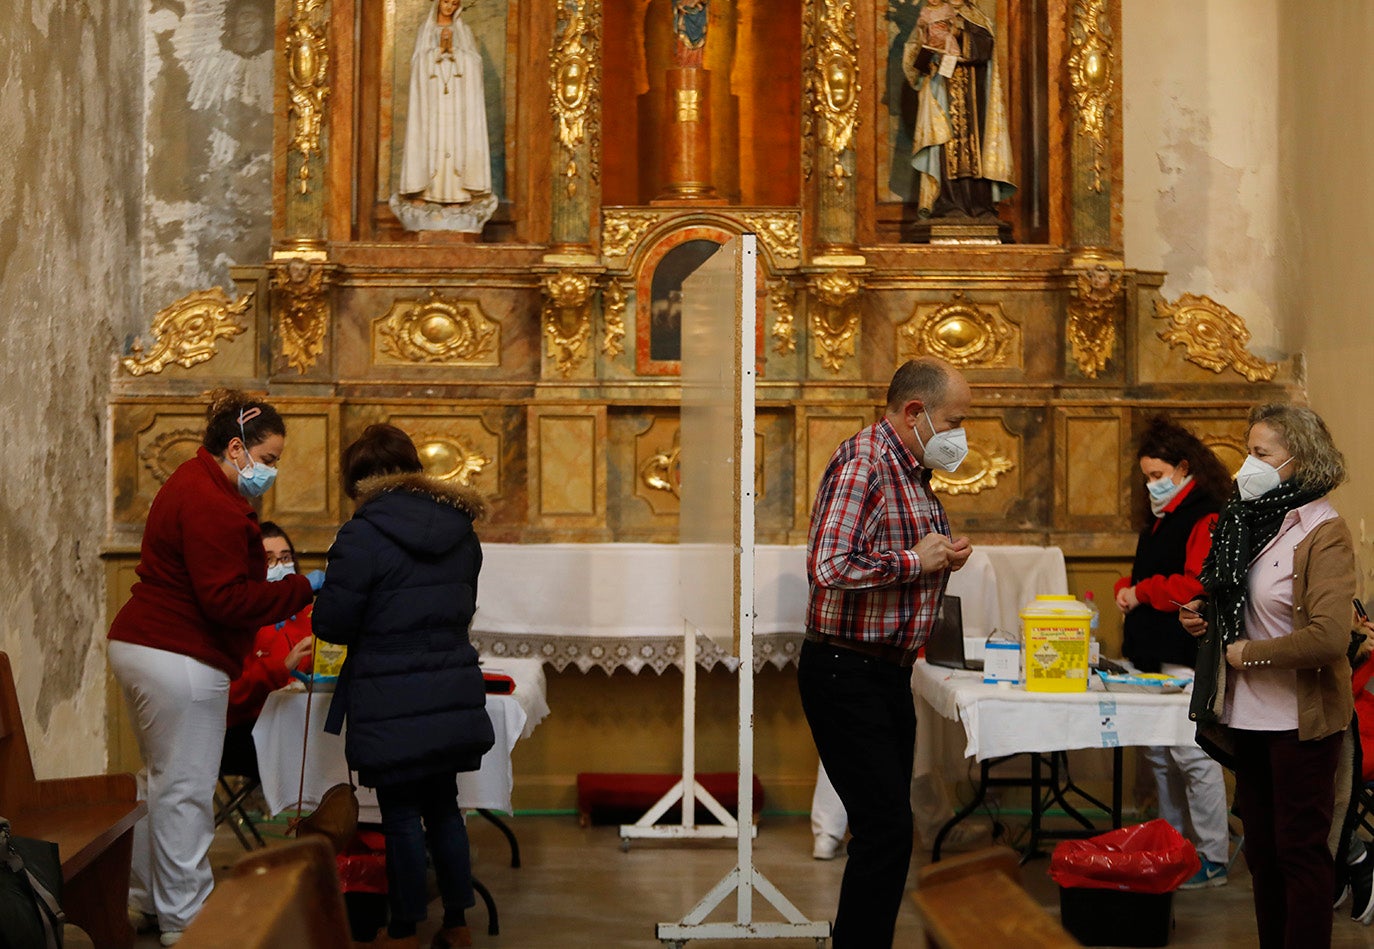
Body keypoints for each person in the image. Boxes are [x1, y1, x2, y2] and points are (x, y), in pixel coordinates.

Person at [107, 389, 321, 946]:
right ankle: (188, 921)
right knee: (185, 791)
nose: (271, 470)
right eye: (269, 459)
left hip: (149, 644)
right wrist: (300, 588)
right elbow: (226, 601)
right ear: (236, 447)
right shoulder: (213, 502)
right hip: (179, 654)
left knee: (161, 786)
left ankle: (148, 900)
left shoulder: (193, 481)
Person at [798, 356, 974, 948]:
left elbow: (905, 553)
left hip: (885, 673)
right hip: (846, 670)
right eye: (954, 422)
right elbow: (827, 566)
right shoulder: (864, 464)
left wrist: (943, 555)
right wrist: (914, 561)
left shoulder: (913, 471)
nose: (960, 436)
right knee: (886, 830)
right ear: (915, 412)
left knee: (888, 831)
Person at [312, 423, 495, 949]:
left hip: (388, 690)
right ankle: (458, 924)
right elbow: (462, 603)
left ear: (358, 481)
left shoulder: (361, 534)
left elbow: (334, 624)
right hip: (449, 681)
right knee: (444, 807)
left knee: (398, 815)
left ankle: (404, 930)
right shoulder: (462, 527)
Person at [1182, 402, 1357, 948]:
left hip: (1298, 719)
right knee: (1259, 852)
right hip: (1245, 715)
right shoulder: (1250, 522)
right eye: (1248, 452)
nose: (1245, 468)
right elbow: (1249, 606)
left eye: (1260, 455)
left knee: (1299, 852)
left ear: (1297, 460)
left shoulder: (1324, 532)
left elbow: (1329, 637)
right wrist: (1205, 615)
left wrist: (1246, 655)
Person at [1113, 417, 1232, 889]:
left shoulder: (1205, 513)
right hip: (1153, 653)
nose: (1151, 485)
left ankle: (1212, 856)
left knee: (1192, 755)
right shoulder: (1160, 516)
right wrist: (1129, 588)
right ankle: (1172, 845)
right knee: (1160, 754)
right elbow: (1146, 571)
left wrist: (1143, 592)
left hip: (1187, 652)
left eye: (1158, 476)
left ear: (1184, 468)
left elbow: (1195, 583)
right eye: (1147, 477)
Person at [901, 0, 1014, 219]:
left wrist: (957, 33)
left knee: (976, 151)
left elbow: (986, 47)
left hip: (976, 101)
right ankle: (947, 204)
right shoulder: (930, 16)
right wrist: (929, 43)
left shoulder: (977, 18)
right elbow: (914, 64)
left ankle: (980, 206)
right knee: (945, 148)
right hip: (942, 98)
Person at [222, 522, 316, 780]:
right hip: (248, 729)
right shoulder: (237, 620)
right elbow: (231, 695)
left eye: (285, 558)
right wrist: (282, 667)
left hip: (305, 722)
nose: (280, 566)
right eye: (269, 560)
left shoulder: (307, 613)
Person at [398, 0, 492, 206]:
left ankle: (457, 194)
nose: (449, 7)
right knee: (432, 140)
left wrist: (456, 53)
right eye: (446, 2)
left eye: (454, 3)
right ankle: (425, 192)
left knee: (454, 140)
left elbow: (475, 63)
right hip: (433, 101)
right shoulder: (426, 30)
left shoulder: (464, 31)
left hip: (457, 100)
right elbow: (417, 63)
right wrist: (438, 51)